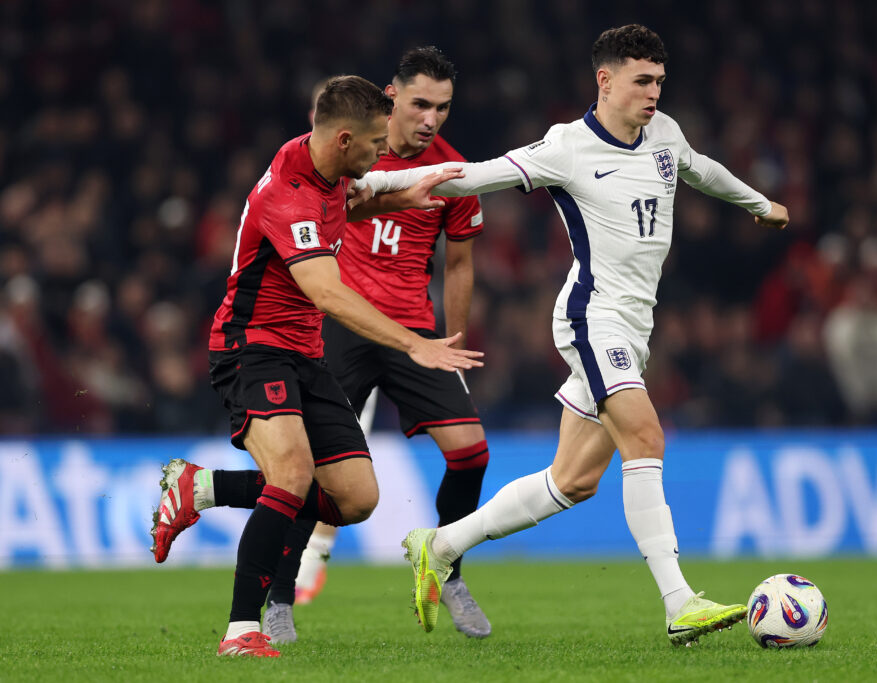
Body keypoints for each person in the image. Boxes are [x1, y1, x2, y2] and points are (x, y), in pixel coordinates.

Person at [353, 25, 789, 646]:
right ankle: (679, 601)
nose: (654, 93)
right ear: (605, 81)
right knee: (646, 434)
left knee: (573, 481)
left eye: (660, 81)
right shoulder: (567, 147)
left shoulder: (663, 134)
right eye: (642, 81)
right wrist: (374, 185)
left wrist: (757, 203)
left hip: (635, 327)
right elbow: (470, 175)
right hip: (593, 316)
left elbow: (701, 169)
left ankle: (440, 543)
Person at [149, 75, 480, 658]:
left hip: (305, 354)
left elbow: (355, 196)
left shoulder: (329, 168)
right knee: (293, 476)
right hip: (250, 346)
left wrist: (397, 195)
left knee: (355, 499)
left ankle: (200, 487)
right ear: (346, 138)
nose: (385, 151)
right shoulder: (289, 193)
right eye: (377, 142)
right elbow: (326, 291)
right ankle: (241, 630)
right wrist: (413, 343)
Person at [263, 47, 493, 642]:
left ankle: (448, 567)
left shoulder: (454, 173)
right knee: (312, 467)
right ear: (391, 98)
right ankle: (279, 595)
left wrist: (453, 340)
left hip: (413, 329)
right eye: (420, 103)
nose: (431, 119)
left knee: (471, 452)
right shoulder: (349, 152)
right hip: (343, 323)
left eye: (442, 107)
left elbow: (460, 263)